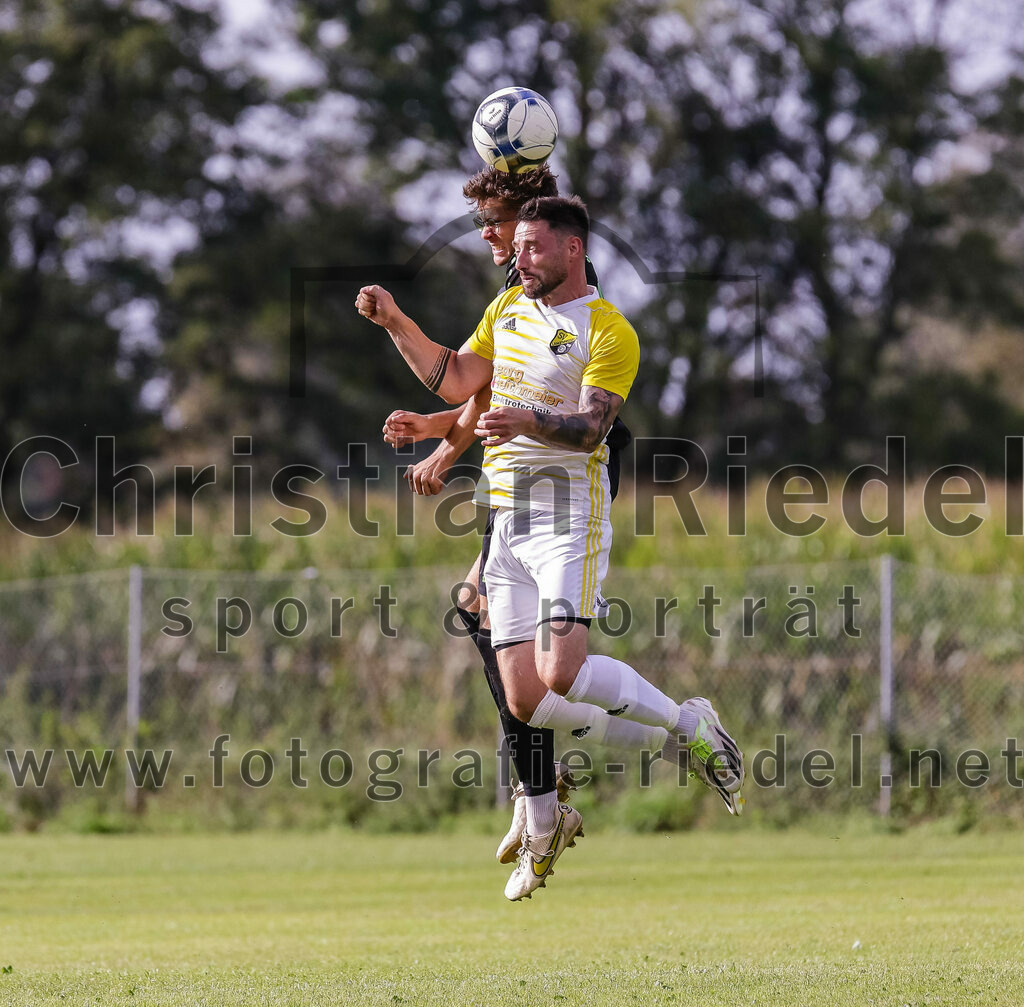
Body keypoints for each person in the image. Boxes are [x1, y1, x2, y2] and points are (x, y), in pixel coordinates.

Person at [358, 196, 744, 902]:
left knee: (561, 672)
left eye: (532, 247)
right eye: (517, 250)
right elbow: (458, 377)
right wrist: (396, 323)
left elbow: (591, 428)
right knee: (527, 699)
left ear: (573, 249)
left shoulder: (609, 330)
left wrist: (526, 419)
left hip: (568, 519)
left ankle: (687, 723)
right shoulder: (507, 308)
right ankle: (679, 735)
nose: (520, 259)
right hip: (506, 519)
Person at [382, 166, 637, 867]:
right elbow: (488, 391)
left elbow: (512, 398)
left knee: (491, 619)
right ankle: (539, 785)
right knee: (477, 610)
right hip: (522, 476)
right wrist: (440, 431)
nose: (488, 236)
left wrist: (445, 446)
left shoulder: (554, 294)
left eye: (493, 222)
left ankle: (541, 791)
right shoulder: (514, 294)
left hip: (556, 481)